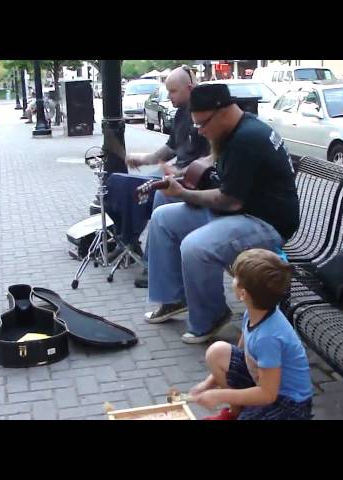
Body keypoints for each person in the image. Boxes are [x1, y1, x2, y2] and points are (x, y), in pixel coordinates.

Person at [145, 83, 299, 344]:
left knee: (196, 247)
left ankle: (212, 317)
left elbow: (229, 201)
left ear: (223, 111)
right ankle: (174, 299)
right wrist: (182, 176)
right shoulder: (235, 128)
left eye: (203, 125)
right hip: (239, 214)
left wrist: (182, 193)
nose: (201, 132)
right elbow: (215, 165)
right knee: (163, 219)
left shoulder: (247, 139)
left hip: (264, 223)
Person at [102, 66, 210, 288]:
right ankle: (127, 240)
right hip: (175, 169)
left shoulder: (205, 114)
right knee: (117, 184)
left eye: (173, 91)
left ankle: (153, 264)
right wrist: (143, 159)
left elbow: (209, 159)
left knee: (156, 193)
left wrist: (180, 173)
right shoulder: (181, 113)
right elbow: (171, 148)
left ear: (189, 89)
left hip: (193, 179)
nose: (168, 97)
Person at [190, 249, 313, 420]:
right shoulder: (256, 311)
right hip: (266, 384)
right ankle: (236, 413)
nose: (233, 280)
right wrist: (208, 383)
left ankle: (241, 414)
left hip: (289, 404)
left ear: (243, 293)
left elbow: (268, 394)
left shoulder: (268, 337)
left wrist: (220, 395)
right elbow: (242, 352)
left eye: (236, 278)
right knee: (217, 352)